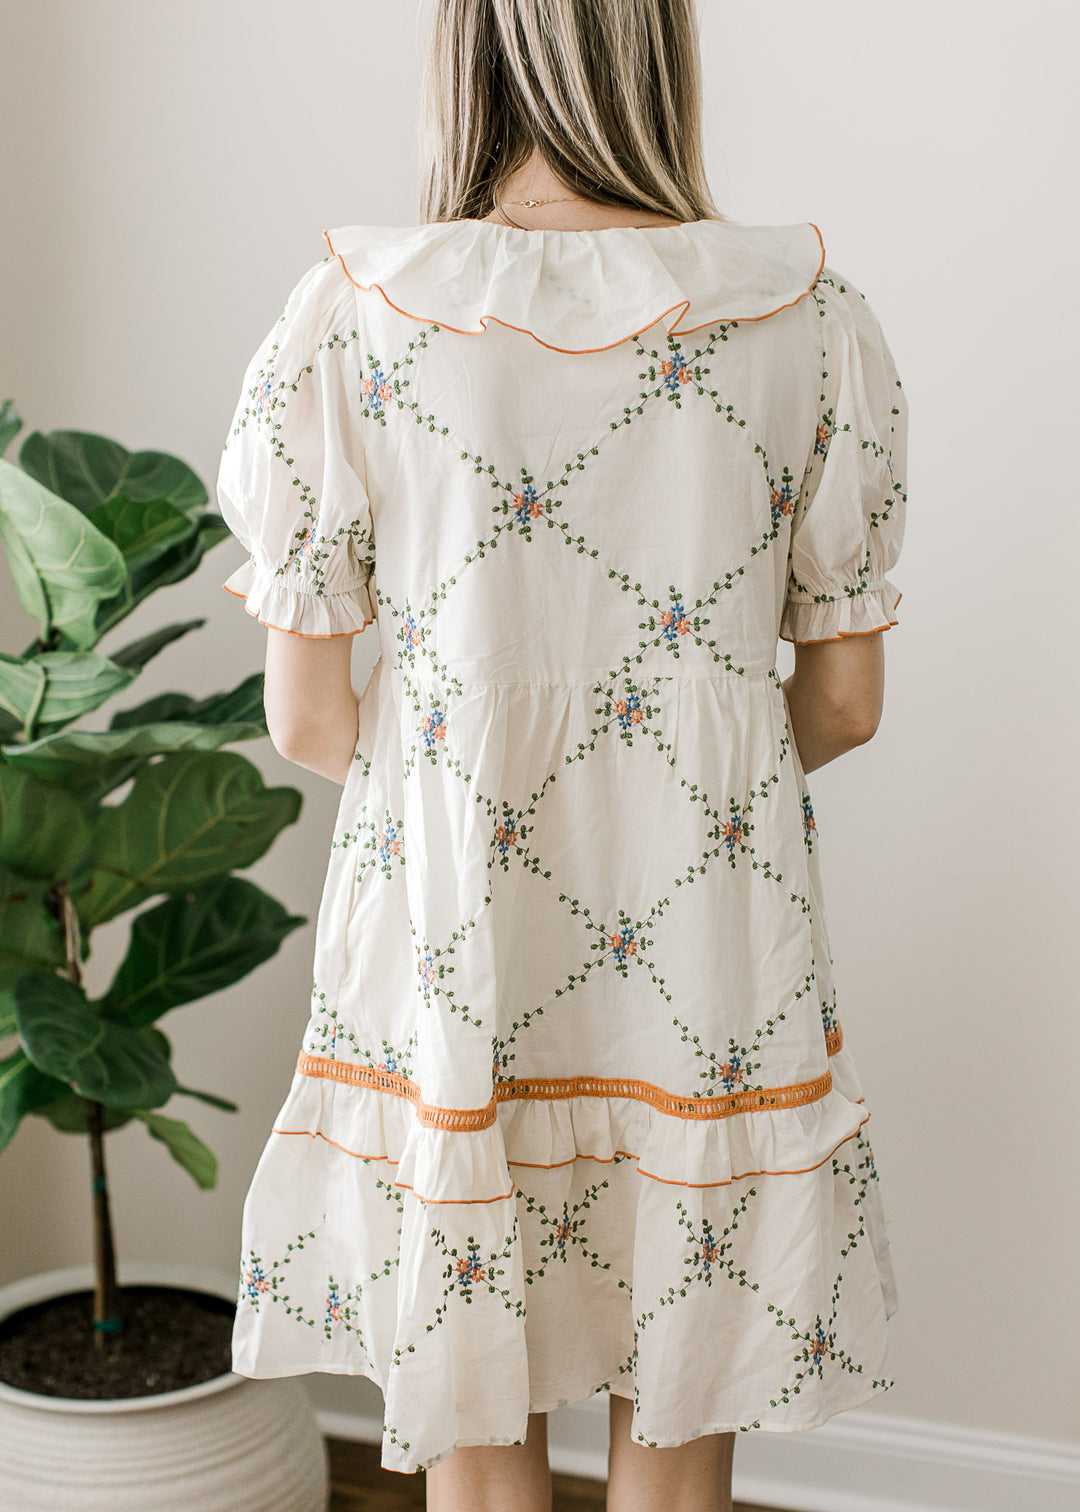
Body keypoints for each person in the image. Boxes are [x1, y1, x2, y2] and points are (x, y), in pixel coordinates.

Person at [215, 2, 907, 1508]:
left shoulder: (355, 310)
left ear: (465, 58)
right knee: (685, 1386)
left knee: (474, 1389)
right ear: (659, 54)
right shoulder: (805, 312)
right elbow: (845, 705)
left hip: (460, 925)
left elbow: (308, 718)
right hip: (712, 939)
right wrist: (677, 799)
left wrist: (479, 803)